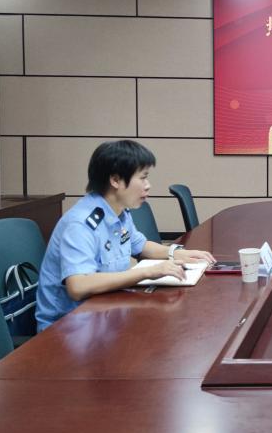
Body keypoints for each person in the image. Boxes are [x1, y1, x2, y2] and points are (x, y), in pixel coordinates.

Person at [35, 140, 215, 330]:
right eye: (143, 178)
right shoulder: (80, 224)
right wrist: (146, 272)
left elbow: (140, 245)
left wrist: (176, 253)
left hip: (105, 314)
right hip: (67, 328)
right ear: (115, 180)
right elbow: (78, 286)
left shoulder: (119, 212)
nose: (148, 185)